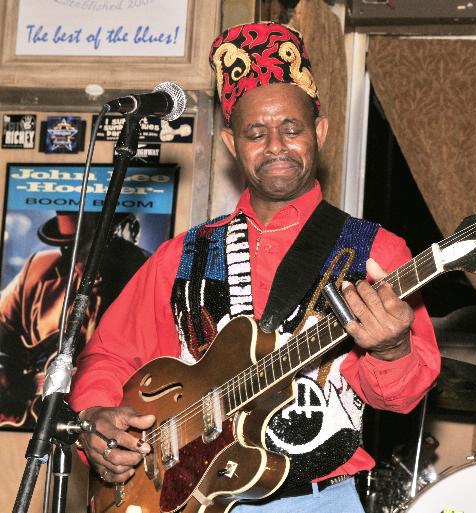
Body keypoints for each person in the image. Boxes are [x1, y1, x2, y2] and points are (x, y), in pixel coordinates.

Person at [69, 21, 440, 512]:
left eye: (292, 129)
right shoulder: (180, 254)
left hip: (317, 501)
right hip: (183, 498)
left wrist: (392, 349)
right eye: (256, 133)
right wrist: (95, 416)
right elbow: (108, 355)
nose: (276, 146)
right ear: (231, 143)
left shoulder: (376, 253)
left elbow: (400, 396)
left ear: (320, 132)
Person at [0, 212, 148, 428]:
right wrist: (20, 385)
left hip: (110, 416)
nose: (83, 261)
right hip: (34, 422)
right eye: (71, 249)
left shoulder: (145, 273)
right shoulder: (37, 269)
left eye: (94, 248)